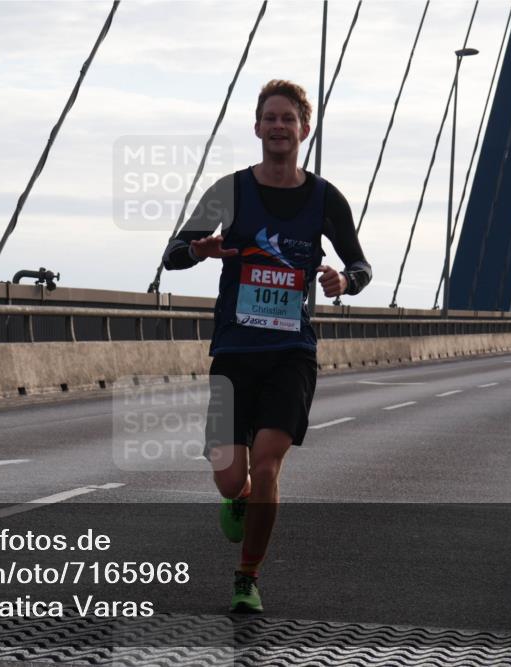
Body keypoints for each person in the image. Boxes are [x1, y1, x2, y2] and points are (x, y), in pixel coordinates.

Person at [161, 79, 371, 613]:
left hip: (291, 352)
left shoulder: (326, 199)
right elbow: (173, 253)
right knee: (232, 475)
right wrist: (200, 250)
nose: (279, 126)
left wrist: (344, 283)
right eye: (270, 118)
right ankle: (240, 497)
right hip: (234, 350)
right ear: (257, 128)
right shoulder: (229, 190)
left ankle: (246, 577)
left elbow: (360, 264)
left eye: (288, 118)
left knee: (270, 463)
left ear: (305, 129)